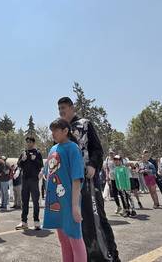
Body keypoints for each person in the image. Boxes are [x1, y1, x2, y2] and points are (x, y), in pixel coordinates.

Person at [58, 96, 120, 262]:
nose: (61, 111)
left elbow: (97, 149)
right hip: (69, 182)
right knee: (77, 221)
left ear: (72, 107)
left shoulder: (85, 123)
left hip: (88, 179)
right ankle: (86, 256)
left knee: (96, 217)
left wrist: (93, 165)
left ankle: (110, 256)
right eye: (59, 109)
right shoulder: (61, 130)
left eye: (64, 107)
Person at [43, 118, 87, 262]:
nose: (53, 134)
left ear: (65, 131)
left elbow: (76, 179)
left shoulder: (73, 148)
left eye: (56, 130)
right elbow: (48, 172)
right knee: (63, 241)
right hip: (55, 202)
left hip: (69, 202)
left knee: (75, 238)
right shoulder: (53, 149)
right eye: (52, 131)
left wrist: (75, 206)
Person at [16, 135, 44, 230]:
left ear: (33, 143)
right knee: (25, 201)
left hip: (34, 180)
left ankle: (36, 222)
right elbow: (18, 164)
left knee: (35, 201)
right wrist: (22, 160)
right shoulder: (24, 153)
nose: (28, 144)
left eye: (30, 142)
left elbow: (41, 165)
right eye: (27, 142)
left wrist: (35, 159)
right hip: (25, 179)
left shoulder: (38, 153)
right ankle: (24, 222)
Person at [104, 150, 123, 214]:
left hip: (119, 178)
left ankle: (126, 207)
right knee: (114, 194)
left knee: (121, 192)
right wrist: (107, 176)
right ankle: (118, 206)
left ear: (114, 153)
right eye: (110, 153)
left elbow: (121, 166)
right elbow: (107, 168)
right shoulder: (107, 159)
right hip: (112, 178)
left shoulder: (117, 158)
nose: (111, 154)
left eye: (112, 153)